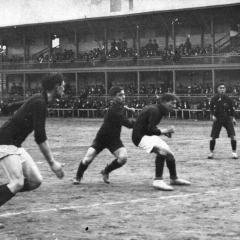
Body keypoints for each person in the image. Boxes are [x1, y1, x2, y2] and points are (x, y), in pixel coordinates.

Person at [0, 72, 65, 207]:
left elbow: (16, 105)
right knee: (17, 182)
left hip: (15, 144)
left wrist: (5, 107)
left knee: (35, 180)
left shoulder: (39, 99)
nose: (64, 88)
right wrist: (52, 163)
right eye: (63, 86)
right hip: (5, 142)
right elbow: (39, 136)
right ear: (56, 87)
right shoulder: (40, 102)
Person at [73, 86, 135, 184]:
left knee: (123, 158)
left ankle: (106, 171)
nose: (123, 97)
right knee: (87, 159)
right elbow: (129, 124)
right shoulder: (113, 111)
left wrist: (129, 109)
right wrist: (141, 120)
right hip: (101, 138)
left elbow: (123, 107)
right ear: (113, 97)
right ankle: (78, 176)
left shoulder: (119, 106)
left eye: (124, 94)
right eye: (120, 95)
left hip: (114, 139)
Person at [132, 93, 191, 191]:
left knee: (170, 154)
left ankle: (174, 178)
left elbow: (149, 127)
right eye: (172, 103)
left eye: (175, 104)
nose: (174, 106)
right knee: (162, 151)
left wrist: (162, 131)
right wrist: (166, 131)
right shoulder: (155, 111)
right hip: (140, 137)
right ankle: (158, 181)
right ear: (164, 102)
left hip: (146, 135)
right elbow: (151, 129)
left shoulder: (156, 109)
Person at [208, 81, 238, 159]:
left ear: (225, 89)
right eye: (220, 88)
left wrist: (233, 118)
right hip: (218, 119)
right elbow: (211, 108)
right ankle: (211, 152)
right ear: (218, 89)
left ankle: (234, 152)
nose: (222, 89)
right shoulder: (214, 98)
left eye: (223, 88)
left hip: (227, 119)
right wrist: (213, 115)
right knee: (213, 136)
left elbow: (232, 109)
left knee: (232, 136)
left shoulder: (228, 99)